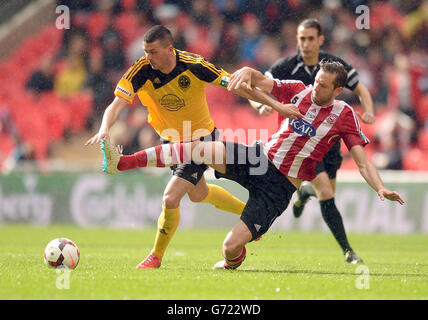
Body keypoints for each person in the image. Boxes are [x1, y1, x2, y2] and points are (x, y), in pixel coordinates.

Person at [100, 61, 404, 270]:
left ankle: (235, 257)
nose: (315, 89)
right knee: (198, 150)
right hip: (258, 159)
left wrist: (381, 187)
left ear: (338, 91)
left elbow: (363, 162)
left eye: (323, 86)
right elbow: (261, 80)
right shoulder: (298, 90)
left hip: (280, 187)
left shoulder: (344, 115)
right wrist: (246, 70)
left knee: (229, 248)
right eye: (315, 82)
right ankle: (123, 163)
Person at [85, 25, 246, 269]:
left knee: (170, 199)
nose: (147, 57)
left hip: (201, 139)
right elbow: (117, 104)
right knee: (198, 194)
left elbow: (230, 82)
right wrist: (104, 127)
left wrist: (266, 100)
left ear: (169, 49)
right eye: (145, 51)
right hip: (171, 139)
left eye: (152, 51)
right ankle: (252, 214)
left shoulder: (194, 64)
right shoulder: (141, 70)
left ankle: (156, 256)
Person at [249, 19, 375, 264]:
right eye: (301, 38)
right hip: (300, 142)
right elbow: (257, 88)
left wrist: (368, 110)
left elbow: (361, 89)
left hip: (329, 141)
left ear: (320, 40)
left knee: (327, 194)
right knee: (327, 192)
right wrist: (260, 105)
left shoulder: (333, 67)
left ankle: (305, 192)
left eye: (310, 38)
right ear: (297, 39)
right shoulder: (285, 66)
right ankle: (348, 251)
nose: (305, 44)